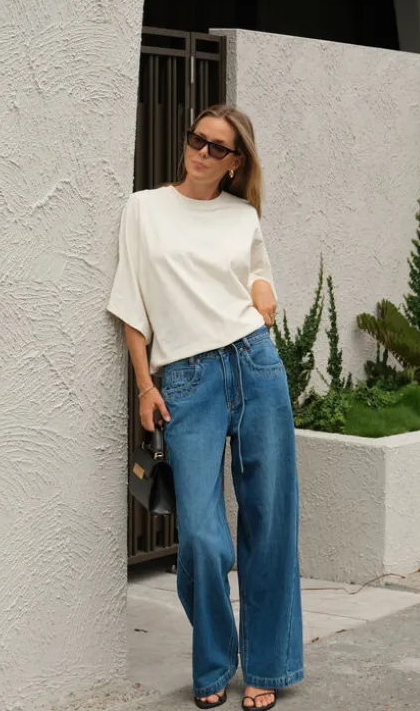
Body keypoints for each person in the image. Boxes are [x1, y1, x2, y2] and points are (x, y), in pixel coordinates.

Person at [107, 104, 303, 710]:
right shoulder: (144, 208)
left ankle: (266, 665)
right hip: (187, 379)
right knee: (200, 536)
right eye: (198, 139)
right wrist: (145, 385)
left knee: (268, 519)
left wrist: (264, 290)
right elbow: (131, 301)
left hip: (254, 363)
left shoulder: (242, 215)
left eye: (218, 148)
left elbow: (259, 274)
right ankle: (216, 657)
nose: (202, 153)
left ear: (235, 162)